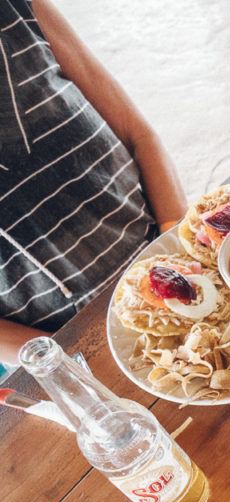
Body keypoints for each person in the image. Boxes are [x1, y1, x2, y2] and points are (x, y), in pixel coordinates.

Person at [0, 0, 186, 365]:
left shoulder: (20, 8)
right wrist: (72, 360)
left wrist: (179, 250)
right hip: (64, 346)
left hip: (166, 258)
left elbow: (137, 135)